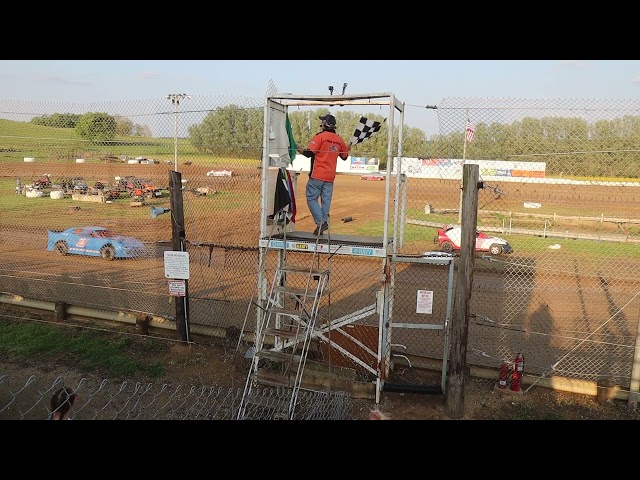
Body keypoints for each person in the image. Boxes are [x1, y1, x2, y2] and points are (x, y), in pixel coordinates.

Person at [297, 114, 350, 236]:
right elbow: (344, 157)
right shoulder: (339, 139)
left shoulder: (320, 137)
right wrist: (347, 148)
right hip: (330, 177)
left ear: (325, 123)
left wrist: (296, 147)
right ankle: (323, 223)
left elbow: (309, 153)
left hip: (317, 175)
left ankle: (321, 222)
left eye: (322, 121)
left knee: (311, 198)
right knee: (326, 202)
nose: (320, 123)